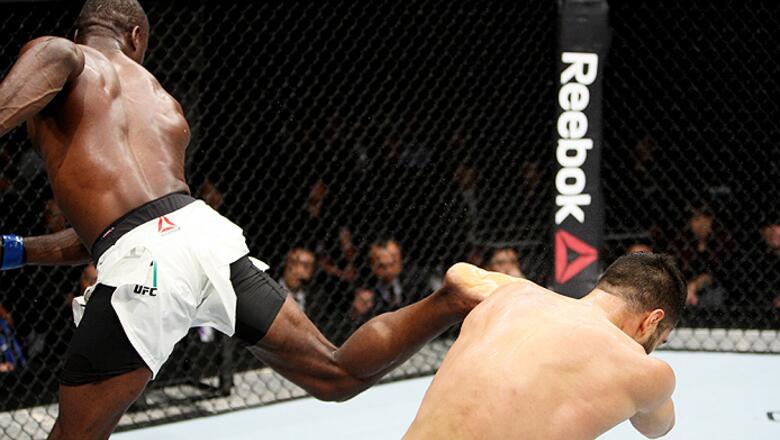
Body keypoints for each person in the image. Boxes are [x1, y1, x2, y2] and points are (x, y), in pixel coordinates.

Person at [0, 1, 486, 438]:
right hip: (203, 233)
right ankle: (451, 297)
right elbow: (123, 226)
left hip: (146, 256)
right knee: (335, 374)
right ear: (136, 37)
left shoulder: (61, 53)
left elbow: (125, 232)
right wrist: (19, 250)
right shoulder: (164, 105)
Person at [405, 253, 685, 439]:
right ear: (652, 320)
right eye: (659, 341)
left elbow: (461, 274)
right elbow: (659, 427)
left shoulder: (514, 294)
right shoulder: (645, 371)